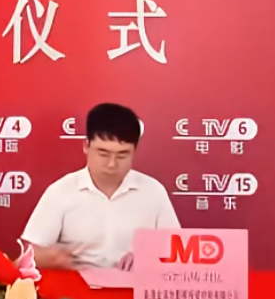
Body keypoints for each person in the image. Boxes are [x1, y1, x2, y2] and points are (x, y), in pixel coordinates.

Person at [20, 103, 180, 271]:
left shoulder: (153, 192)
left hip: (135, 285)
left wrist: (149, 258)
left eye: (122, 155)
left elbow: (177, 251)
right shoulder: (60, 192)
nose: (112, 164)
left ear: (134, 151)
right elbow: (28, 256)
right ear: (86, 146)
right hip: (77, 284)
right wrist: (49, 258)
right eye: (103, 154)